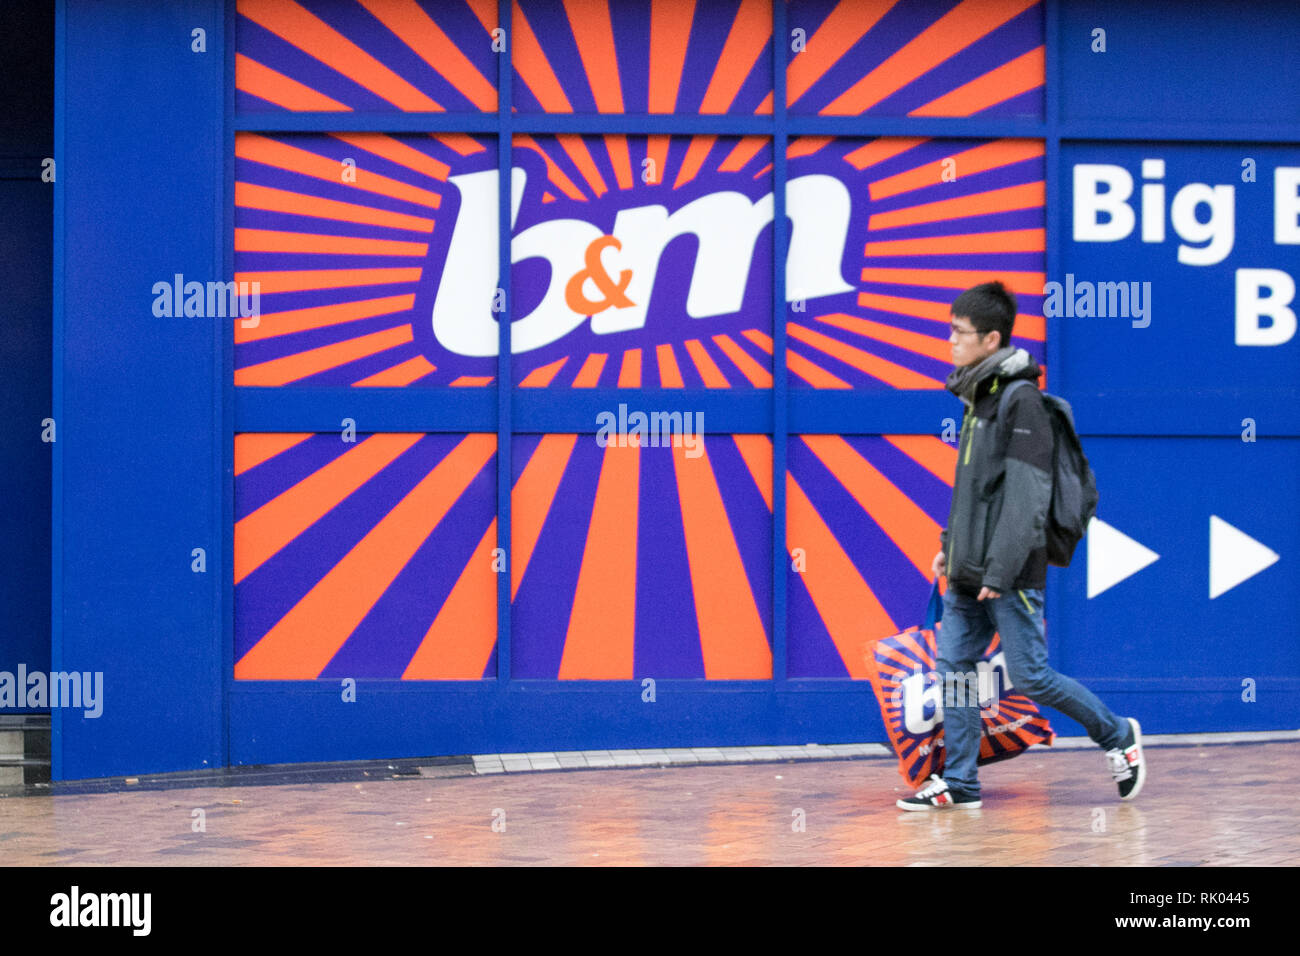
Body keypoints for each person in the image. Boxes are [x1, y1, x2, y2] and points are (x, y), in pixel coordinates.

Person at [896, 281, 1146, 810]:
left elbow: (1027, 498)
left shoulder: (1021, 402)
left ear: (991, 339)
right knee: (957, 672)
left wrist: (999, 570)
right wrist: (951, 544)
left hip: (1006, 573)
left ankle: (1117, 733)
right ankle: (961, 783)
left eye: (958, 333)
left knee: (1031, 674)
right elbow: (972, 490)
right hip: (970, 568)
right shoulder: (979, 399)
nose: (950, 341)